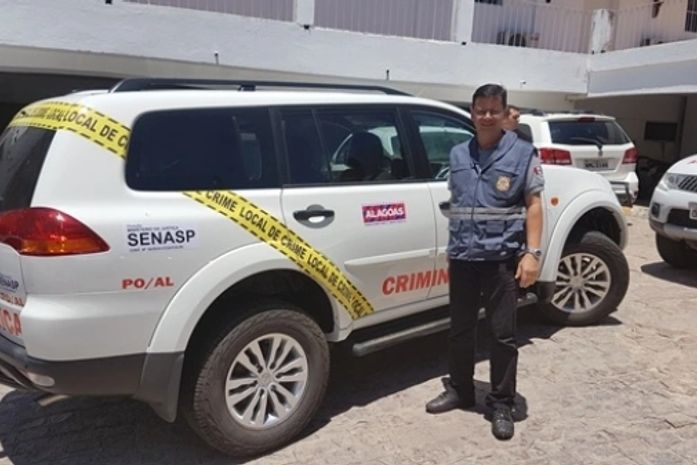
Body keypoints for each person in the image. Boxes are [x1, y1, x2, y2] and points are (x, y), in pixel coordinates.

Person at [425, 84, 544, 441]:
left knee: (502, 335)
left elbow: (534, 205)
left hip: (501, 259)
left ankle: (502, 402)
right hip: (463, 256)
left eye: (494, 110)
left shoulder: (523, 153)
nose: (487, 116)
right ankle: (461, 389)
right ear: (472, 112)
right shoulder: (459, 153)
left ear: (505, 113)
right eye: (481, 110)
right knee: (460, 329)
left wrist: (532, 254)